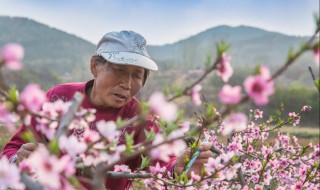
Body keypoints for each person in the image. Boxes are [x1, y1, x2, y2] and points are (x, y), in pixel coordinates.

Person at [1, 30, 212, 189]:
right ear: (95, 66)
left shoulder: (139, 119)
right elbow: (10, 151)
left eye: (137, 75)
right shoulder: (59, 98)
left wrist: (178, 169)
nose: (127, 84)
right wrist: (19, 158)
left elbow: (161, 167)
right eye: (119, 71)